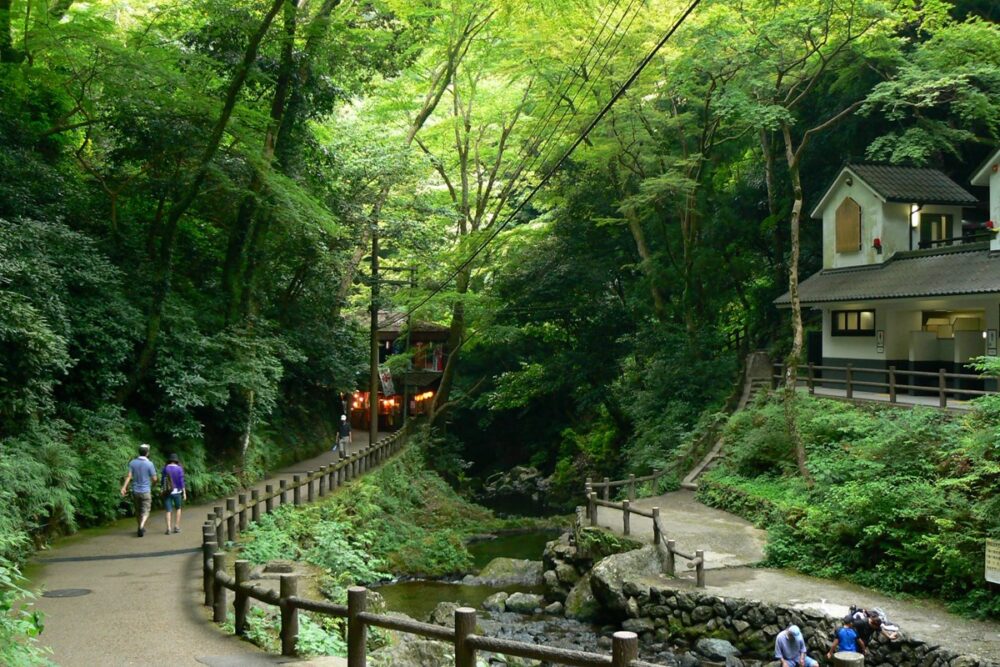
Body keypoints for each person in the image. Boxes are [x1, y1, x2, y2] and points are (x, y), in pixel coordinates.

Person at [120, 443, 157, 537]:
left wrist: (124, 487)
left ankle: (140, 526)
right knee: (146, 510)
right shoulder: (150, 464)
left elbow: (129, 476)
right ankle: (141, 526)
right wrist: (153, 484)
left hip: (135, 491)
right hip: (146, 491)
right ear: (147, 453)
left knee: (138, 510)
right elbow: (154, 479)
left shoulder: (133, 462)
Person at [161, 453, 187, 535]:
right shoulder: (179, 469)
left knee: (168, 510)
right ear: (176, 460)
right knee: (178, 509)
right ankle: (176, 527)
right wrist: (184, 493)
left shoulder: (165, 468)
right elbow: (182, 481)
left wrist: (162, 490)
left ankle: (168, 528)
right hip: (177, 492)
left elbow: (162, 481)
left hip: (168, 492)